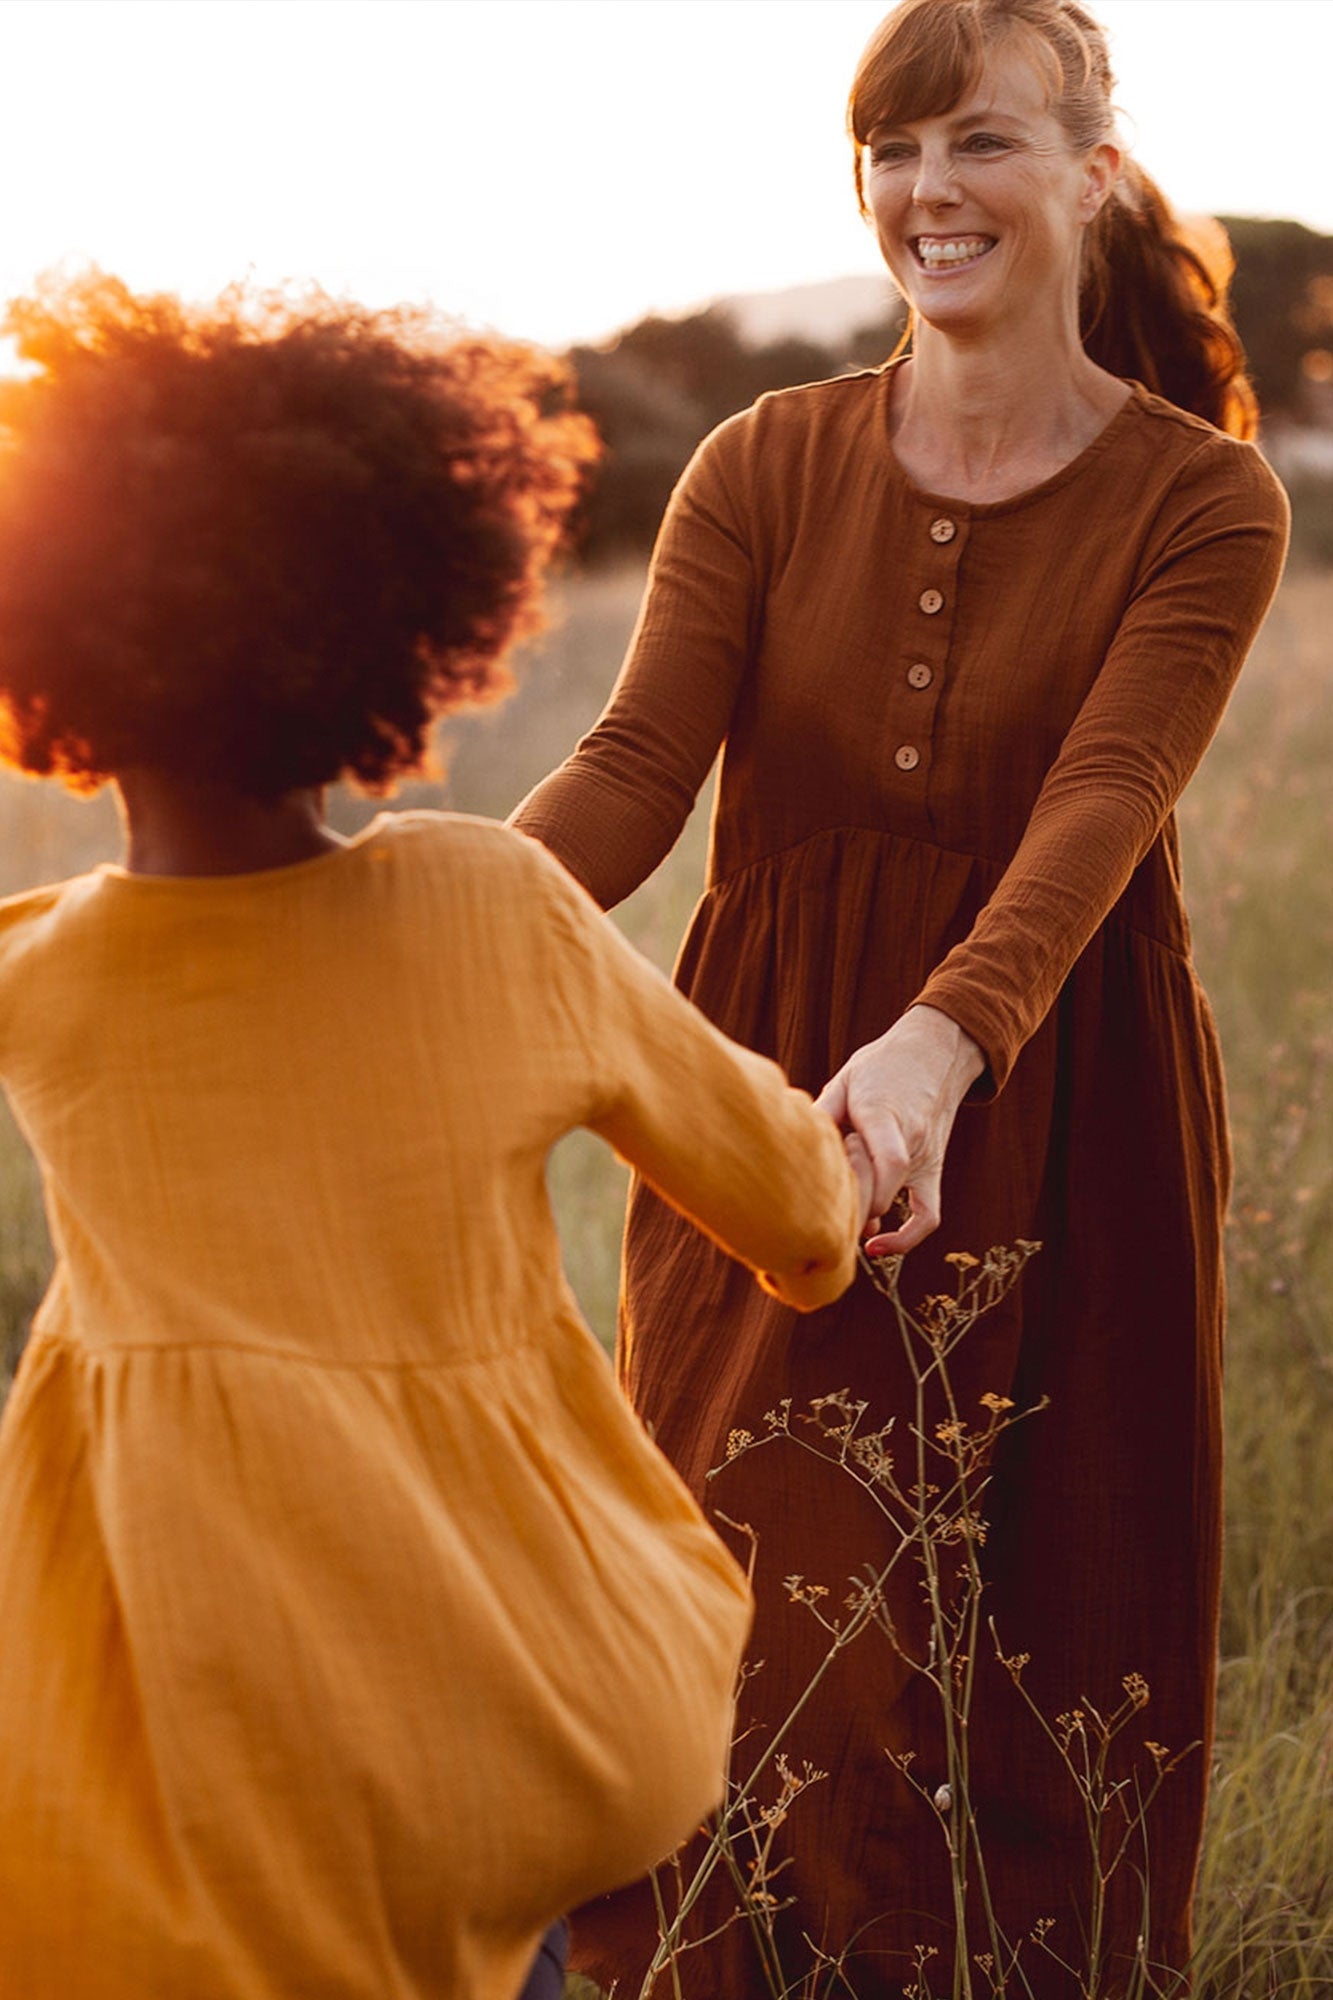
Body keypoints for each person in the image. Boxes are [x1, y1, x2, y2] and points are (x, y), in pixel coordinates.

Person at [511, 1, 1291, 1993]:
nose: (927, 191)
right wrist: (439, 920)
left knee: (1035, 1635)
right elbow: (632, 768)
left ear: (1090, 173)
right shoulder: (761, 463)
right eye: (892, 150)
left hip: (1058, 1088)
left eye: (979, 142)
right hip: (762, 1100)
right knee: (735, 1592)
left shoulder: (1204, 502)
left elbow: (1103, 797)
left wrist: (946, 1042)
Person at [0, 275, 868, 2000]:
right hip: (485, 1664)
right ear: (388, 630)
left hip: (176, 1696)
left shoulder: (41, 974)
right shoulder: (493, 907)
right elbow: (791, 1203)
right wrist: (838, 1196)